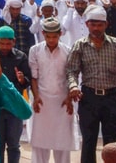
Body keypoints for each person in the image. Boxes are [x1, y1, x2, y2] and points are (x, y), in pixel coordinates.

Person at [65, 6, 116, 163]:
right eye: (93, 24)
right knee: (89, 142)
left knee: (112, 145)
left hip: (112, 98)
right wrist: (73, 86)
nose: (96, 28)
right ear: (87, 24)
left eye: (100, 25)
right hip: (88, 97)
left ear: (106, 24)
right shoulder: (80, 45)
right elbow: (71, 71)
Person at [28, 17, 78, 163]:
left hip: (62, 100)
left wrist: (69, 98)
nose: (51, 40)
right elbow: (34, 77)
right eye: (48, 36)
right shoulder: (35, 50)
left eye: (54, 36)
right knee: (40, 140)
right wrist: (36, 97)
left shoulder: (68, 51)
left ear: (60, 34)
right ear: (43, 34)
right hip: (41, 99)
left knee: (62, 140)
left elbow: (71, 76)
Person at [0, 25, 32, 163]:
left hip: (14, 108)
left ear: (14, 42)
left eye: (8, 44)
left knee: (14, 146)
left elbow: (27, 82)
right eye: (2, 43)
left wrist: (22, 79)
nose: (5, 46)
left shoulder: (21, 57)